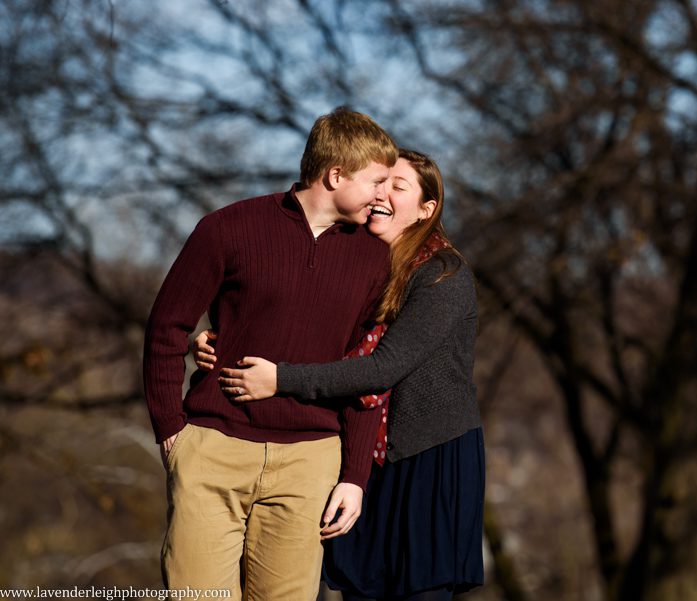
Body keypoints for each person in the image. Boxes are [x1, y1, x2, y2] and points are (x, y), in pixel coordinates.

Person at [193, 149, 484, 601]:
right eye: (379, 182)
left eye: (398, 187)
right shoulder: (359, 262)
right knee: (359, 588)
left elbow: (381, 368)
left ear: (427, 210)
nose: (381, 194)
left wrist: (280, 380)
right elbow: (297, 323)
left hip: (428, 458)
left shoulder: (442, 275)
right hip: (365, 455)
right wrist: (218, 340)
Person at [143, 107, 397, 600]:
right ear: (336, 174)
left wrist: (355, 476)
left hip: (310, 462)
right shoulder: (227, 228)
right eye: (377, 182)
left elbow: (365, 370)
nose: (383, 196)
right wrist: (170, 430)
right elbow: (166, 328)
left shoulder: (374, 258)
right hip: (213, 449)